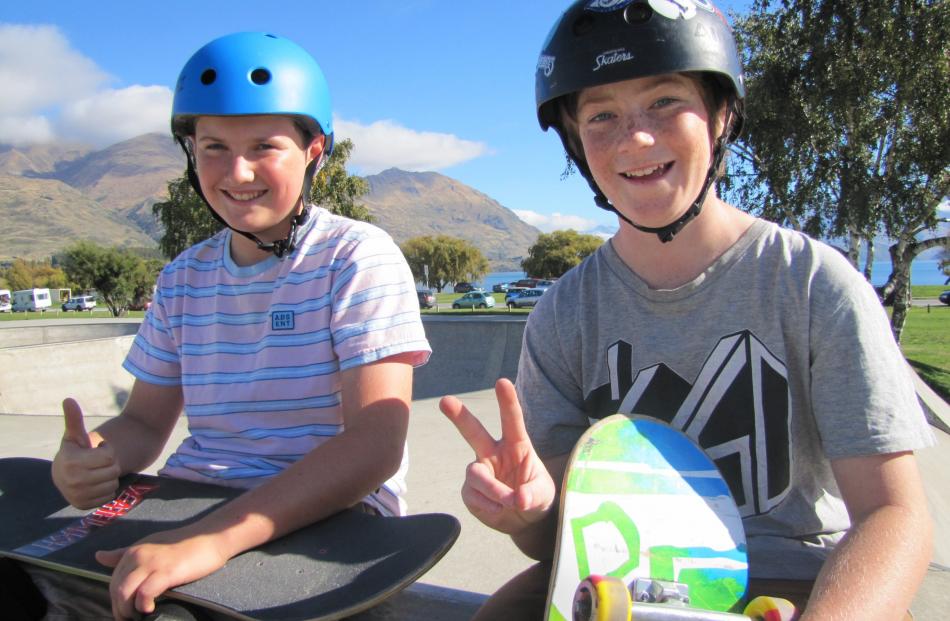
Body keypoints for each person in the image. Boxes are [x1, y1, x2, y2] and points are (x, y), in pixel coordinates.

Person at [440, 1, 934, 619]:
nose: (636, 137)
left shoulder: (812, 284)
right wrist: (531, 512)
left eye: (666, 101)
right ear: (573, 141)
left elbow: (893, 513)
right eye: (601, 115)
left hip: (798, 582)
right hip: (623, 593)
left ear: (722, 114)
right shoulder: (565, 315)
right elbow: (556, 545)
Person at [17, 32, 430, 620]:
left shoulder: (356, 257)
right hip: (189, 504)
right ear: (191, 154)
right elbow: (141, 422)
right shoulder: (184, 277)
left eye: (265, 145)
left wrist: (210, 540)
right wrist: (96, 459)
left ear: (314, 151)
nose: (237, 172)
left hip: (330, 517)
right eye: (213, 147)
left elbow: (374, 446)